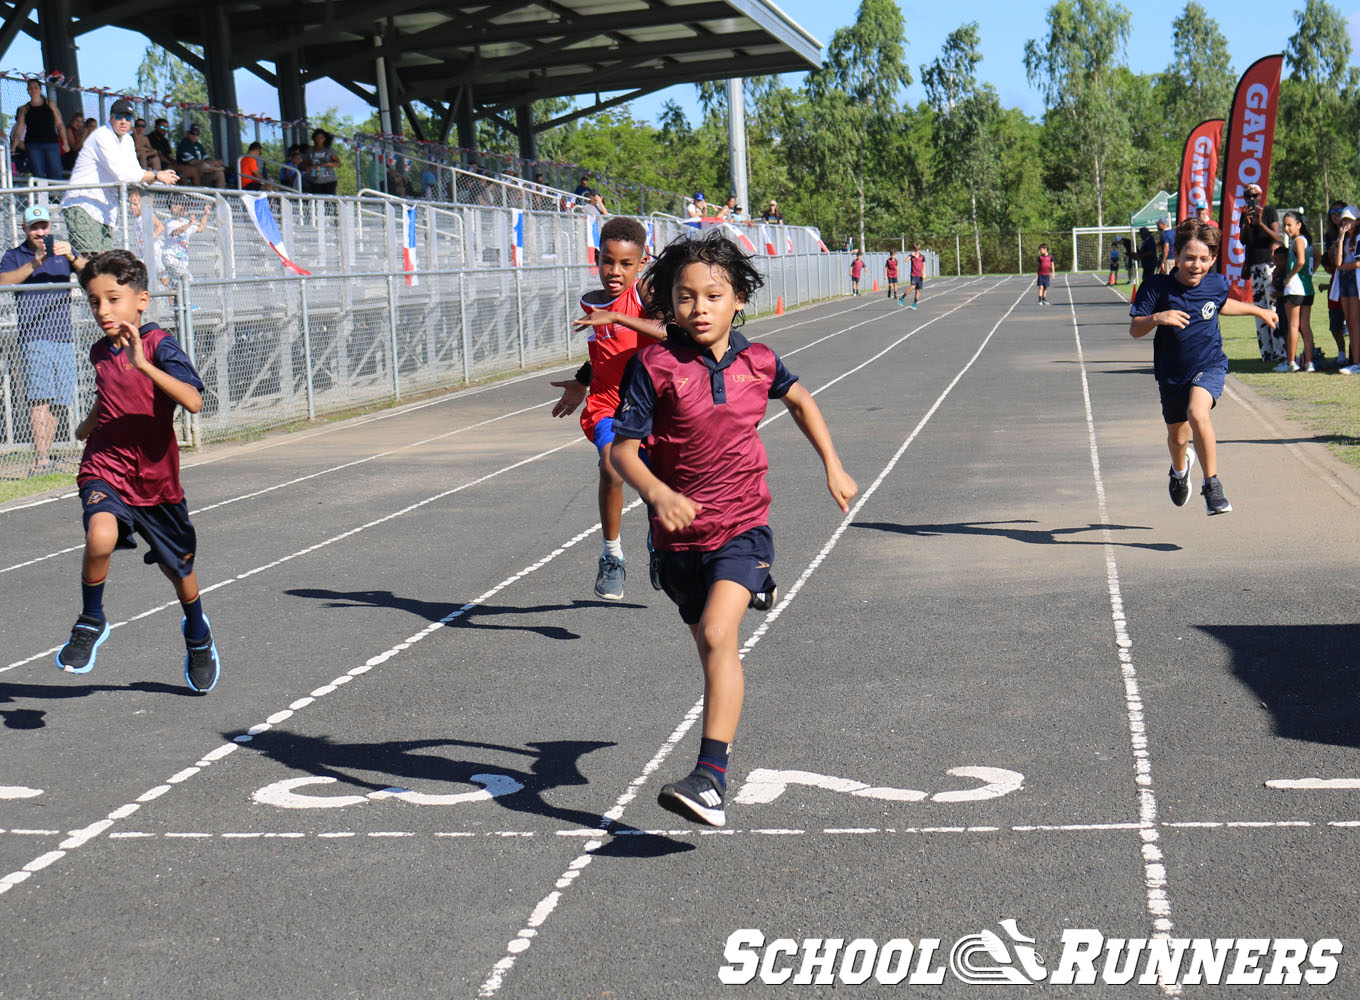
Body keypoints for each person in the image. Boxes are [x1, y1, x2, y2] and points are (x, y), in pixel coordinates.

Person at [610, 231, 857, 827]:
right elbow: (621, 452)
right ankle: (754, 588)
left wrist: (834, 465)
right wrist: (658, 492)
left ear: (739, 298)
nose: (699, 309)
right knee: (709, 646)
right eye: (686, 297)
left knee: (721, 636)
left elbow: (799, 400)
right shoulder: (655, 365)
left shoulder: (760, 361)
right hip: (676, 540)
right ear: (670, 304)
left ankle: (710, 780)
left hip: (743, 525)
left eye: (713, 296)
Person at [57, 250, 221, 693]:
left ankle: (197, 633)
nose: (103, 310)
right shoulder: (99, 351)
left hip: (155, 481)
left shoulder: (159, 345)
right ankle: (92, 619)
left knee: (179, 572)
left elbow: (193, 401)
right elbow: (110, 393)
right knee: (101, 535)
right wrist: (89, 423)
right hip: (104, 465)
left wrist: (143, 364)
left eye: (113, 299)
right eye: (94, 302)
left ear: (142, 300)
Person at [546, 217, 666, 599]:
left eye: (625, 264)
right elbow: (607, 351)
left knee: (657, 486)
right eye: (608, 262)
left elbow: (669, 332)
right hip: (608, 404)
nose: (615, 272)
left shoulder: (646, 292)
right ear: (597, 258)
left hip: (653, 405)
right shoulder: (592, 301)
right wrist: (582, 380)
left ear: (642, 262)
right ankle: (611, 555)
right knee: (612, 466)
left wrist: (617, 316)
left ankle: (659, 542)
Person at [1129, 218, 1278, 516]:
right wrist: (1158, 318)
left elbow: (1222, 303)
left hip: (1209, 364)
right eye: (1189, 258)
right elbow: (1135, 328)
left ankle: (1212, 487)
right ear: (1177, 256)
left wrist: (1258, 310)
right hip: (1172, 373)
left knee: (1198, 413)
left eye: (1204, 259)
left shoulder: (1216, 282)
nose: (1196, 265)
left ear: (1212, 258)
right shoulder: (1157, 287)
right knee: (1177, 438)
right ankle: (1179, 469)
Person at [0, 205, 88, 475]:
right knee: (40, 399)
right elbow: (4, 281)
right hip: (34, 336)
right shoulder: (16, 255)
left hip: (64, 336)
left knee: (60, 400)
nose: (40, 232)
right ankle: (41, 460)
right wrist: (34, 263)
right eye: (34, 227)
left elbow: (92, 275)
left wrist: (73, 256)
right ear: (25, 229)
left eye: (44, 226)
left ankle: (47, 456)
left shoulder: (62, 252)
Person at [62, 99, 179, 256]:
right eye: (119, 116)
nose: (124, 121)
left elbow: (136, 172)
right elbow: (123, 174)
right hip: (84, 204)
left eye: (128, 117)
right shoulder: (101, 136)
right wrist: (157, 174)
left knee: (102, 264)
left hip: (105, 210)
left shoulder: (128, 140)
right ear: (111, 118)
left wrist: (160, 178)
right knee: (90, 264)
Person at [1239, 182, 1284, 362]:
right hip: (1255, 266)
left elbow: (1277, 236)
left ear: (1260, 196)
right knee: (1259, 310)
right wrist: (1248, 225)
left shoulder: (1269, 211)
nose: (1251, 199)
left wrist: (1260, 224)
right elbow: (1244, 241)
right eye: (1248, 196)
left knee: (1272, 307)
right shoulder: (1245, 215)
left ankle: (1281, 351)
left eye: (1254, 195)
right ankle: (1267, 353)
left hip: (1269, 264)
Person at [1278, 210, 1316, 372]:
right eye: (1284, 225)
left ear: (1299, 225)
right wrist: (1310, 272)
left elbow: (1300, 261)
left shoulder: (1298, 241)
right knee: (1305, 326)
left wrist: (1289, 277)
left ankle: (1291, 362)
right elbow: (1317, 257)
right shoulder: (1307, 241)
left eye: (1289, 225)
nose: (1286, 228)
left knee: (1293, 326)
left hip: (1295, 289)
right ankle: (1309, 362)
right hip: (1307, 289)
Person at [12, 78, 65, 181]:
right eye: (30, 88)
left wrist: (65, 142)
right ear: (28, 91)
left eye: (36, 88)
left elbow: (59, 123)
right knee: (38, 173)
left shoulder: (50, 104)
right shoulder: (24, 109)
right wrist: (14, 145)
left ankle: (55, 195)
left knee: (55, 172)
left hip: (51, 143)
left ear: (40, 89)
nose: (33, 90)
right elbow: (20, 128)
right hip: (33, 144)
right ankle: (42, 196)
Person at [1319, 202, 1350, 368]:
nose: (1336, 214)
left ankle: (1354, 356)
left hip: (1352, 279)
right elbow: (1330, 265)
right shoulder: (1330, 235)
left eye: (1340, 211)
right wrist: (1331, 252)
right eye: (1333, 211)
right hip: (1337, 281)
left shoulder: (1355, 234)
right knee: (1335, 322)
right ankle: (1341, 354)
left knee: (1353, 322)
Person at [1330, 205, 1360, 374]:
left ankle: (1356, 362)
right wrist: (1341, 239)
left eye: (1349, 219)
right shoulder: (1345, 239)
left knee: (1355, 324)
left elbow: (1357, 263)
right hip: (1344, 281)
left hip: (1355, 281)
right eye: (1344, 219)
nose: (1345, 222)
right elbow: (1338, 263)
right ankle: (1353, 360)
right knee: (1349, 322)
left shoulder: (1359, 238)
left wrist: (1344, 267)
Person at [175, 123, 226, 188]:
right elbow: (191, 162)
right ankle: (218, 169)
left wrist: (215, 162)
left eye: (197, 134)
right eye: (193, 133)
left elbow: (206, 158)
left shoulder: (199, 145)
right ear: (187, 134)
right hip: (190, 175)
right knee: (203, 165)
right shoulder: (184, 144)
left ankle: (220, 196)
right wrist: (209, 164)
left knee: (220, 174)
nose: (195, 136)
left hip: (203, 175)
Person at [306, 128, 340, 196]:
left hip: (329, 180)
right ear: (314, 138)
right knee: (317, 201)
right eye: (317, 137)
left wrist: (327, 164)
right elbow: (306, 164)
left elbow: (338, 163)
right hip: (314, 180)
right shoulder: (310, 150)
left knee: (330, 202)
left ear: (325, 139)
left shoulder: (329, 150)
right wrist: (310, 167)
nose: (319, 140)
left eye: (321, 138)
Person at [906, 241, 926, 308]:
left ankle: (914, 304)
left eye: (918, 249)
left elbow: (924, 266)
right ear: (914, 249)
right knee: (912, 287)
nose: (917, 251)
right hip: (913, 274)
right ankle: (902, 297)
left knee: (917, 291)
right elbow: (906, 260)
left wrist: (924, 274)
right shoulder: (912, 256)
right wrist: (911, 255)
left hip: (920, 275)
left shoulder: (922, 257)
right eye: (915, 249)